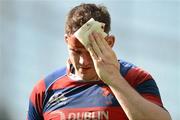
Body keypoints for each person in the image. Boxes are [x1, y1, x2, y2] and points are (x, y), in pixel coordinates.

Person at [27, 3, 171, 120]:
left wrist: (114, 80)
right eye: (76, 52)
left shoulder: (135, 79)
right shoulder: (45, 89)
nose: (83, 61)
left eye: (91, 51)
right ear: (66, 40)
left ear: (109, 42)